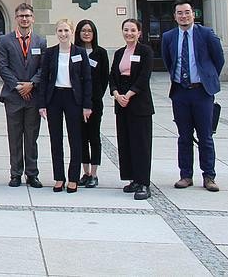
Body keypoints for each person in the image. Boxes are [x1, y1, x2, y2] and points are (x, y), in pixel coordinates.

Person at [162, 0, 225, 192]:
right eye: (180, 13)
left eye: (187, 12)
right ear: (175, 16)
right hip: (180, 92)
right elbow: (168, 60)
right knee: (184, 136)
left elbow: (218, 59)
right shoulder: (169, 36)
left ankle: (209, 176)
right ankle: (185, 175)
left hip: (202, 92)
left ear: (193, 14)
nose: (184, 16)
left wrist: (207, 78)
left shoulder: (206, 34)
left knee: (205, 136)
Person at [38, 19, 92, 193]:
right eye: (60, 31)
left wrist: (87, 105)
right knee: (56, 139)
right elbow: (44, 79)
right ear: (56, 33)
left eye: (66, 31)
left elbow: (87, 80)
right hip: (54, 97)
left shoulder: (80, 52)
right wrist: (42, 104)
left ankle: (73, 178)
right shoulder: (50, 53)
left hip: (73, 98)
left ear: (72, 31)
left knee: (75, 139)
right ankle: (59, 177)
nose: (63, 34)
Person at [0, 3, 47, 188]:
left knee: (32, 137)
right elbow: (2, 67)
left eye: (27, 16)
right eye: (21, 16)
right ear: (16, 18)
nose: (24, 19)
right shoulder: (5, 40)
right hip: (13, 96)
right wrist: (18, 86)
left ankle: (32, 174)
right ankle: (15, 173)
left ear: (32, 18)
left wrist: (31, 84)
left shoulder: (40, 42)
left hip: (33, 96)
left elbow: (44, 67)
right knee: (15, 136)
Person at [109, 19, 155, 200]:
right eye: (126, 30)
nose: (129, 33)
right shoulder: (120, 52)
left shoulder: (145, 51)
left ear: (139, 33)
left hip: (139, 102)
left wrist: (128, 94)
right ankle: (133, 179)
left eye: (132, 30)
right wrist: (116, 94)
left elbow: (144, 76)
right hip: (121, 103)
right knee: (126, 142)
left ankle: (143, 182)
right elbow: (112, 75)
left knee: (141, 144)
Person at [75, 19, 109, 188]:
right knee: (81, 138)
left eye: (89, 30)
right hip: (76, 102)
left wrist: (95, 98)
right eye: (83, 30)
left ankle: (94, 174)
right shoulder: (75, 52)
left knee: (94, 137)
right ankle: (85, 172)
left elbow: (104, 78)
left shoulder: (100, 53)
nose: (86, 33)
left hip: (95, 102)